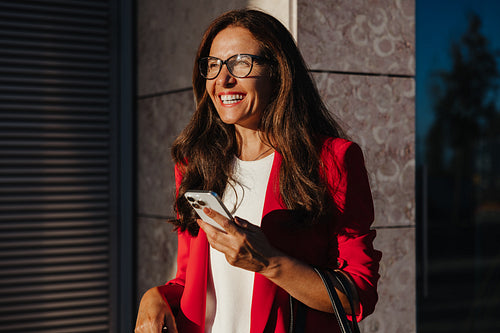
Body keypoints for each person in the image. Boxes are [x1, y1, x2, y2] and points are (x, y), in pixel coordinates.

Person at [135, 9, 381, 333]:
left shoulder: (331, 160)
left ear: (277, 72)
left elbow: (357, 294)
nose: (223, 80)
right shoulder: (195, 163)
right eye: (213, 65)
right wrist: (155, 297)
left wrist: (269, 262)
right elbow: (190, 280)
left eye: (240, 63)